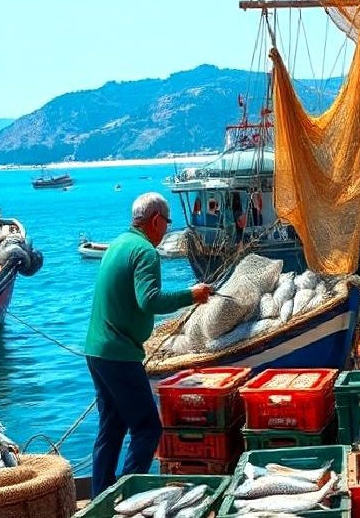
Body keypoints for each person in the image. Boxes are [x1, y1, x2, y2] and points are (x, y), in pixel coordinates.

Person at [83, 193, 212, 497]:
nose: (166, 230)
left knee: (111, 427)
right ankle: (130, 493)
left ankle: (101, 494)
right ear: (156, 220)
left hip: (97, 352)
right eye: (167, 223)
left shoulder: (117, 245)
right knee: (148, 428)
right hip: (119, 355)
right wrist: (191, 295)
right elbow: (149, 300)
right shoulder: (145, 251)